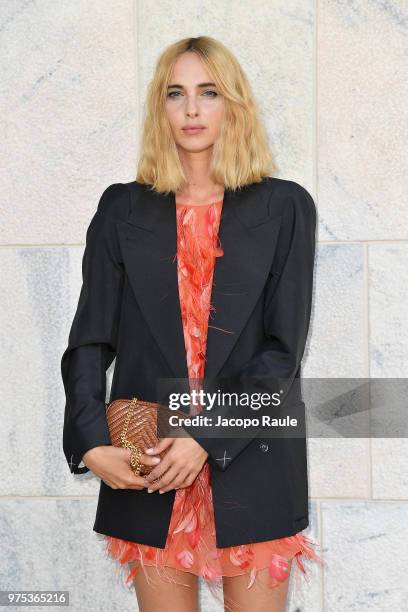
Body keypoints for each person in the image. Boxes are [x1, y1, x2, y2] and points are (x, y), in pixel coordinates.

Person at [61, 36, 323, 612]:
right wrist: (91, 441)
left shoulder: (285, 207)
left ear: (234, 105)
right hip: (149, 458)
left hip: (251, 450)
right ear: (161, 109)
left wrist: (206, 435)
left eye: (209, 92)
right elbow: (89, 341)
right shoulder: (121, 209)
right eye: (176, 94)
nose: (193, 109)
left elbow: (283, 350)